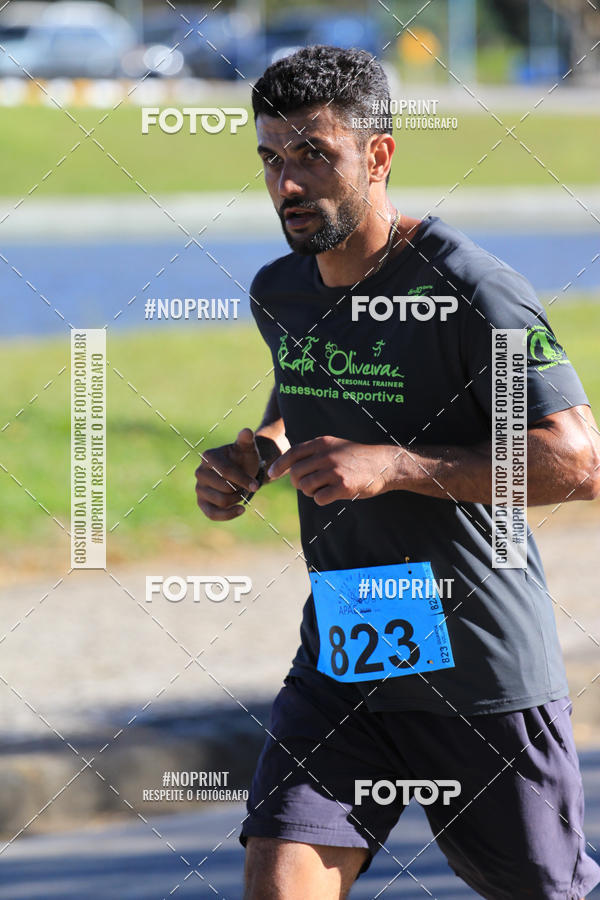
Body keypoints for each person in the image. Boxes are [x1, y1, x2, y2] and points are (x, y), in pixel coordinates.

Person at [194, 45, 600, 900]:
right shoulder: (282, 293)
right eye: (270, 158)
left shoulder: (472, 291)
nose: (286, 183)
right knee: (277, 877)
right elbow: (304, 391)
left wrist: (397, 466)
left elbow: (575, 460)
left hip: (479, 666)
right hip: (347, 651)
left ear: (378, 154)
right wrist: (261, 454)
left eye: (314, 154)